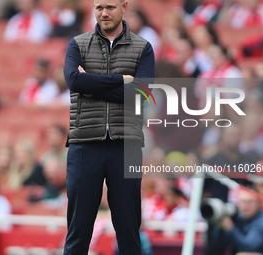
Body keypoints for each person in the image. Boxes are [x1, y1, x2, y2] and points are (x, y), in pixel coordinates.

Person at [63, 0, 155, 254]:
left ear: (124, 7)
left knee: (128, 232)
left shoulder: (143, 48)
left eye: (111, 7)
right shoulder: (78, 44)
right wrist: (120, 81)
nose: (104, 13)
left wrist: (91, 87)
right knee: (78, 232)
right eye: (99, 7)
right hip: (84, 144)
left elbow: (142, 93)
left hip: (126, 145)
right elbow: (73, 81)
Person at [205, 188, 263, 255]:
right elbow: (218, 245)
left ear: (259, 203)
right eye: (243, 201)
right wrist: (219, 224)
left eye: (250, 202)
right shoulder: (239, 217)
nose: (246, 206)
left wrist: (230, 228)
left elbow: (248, 247)